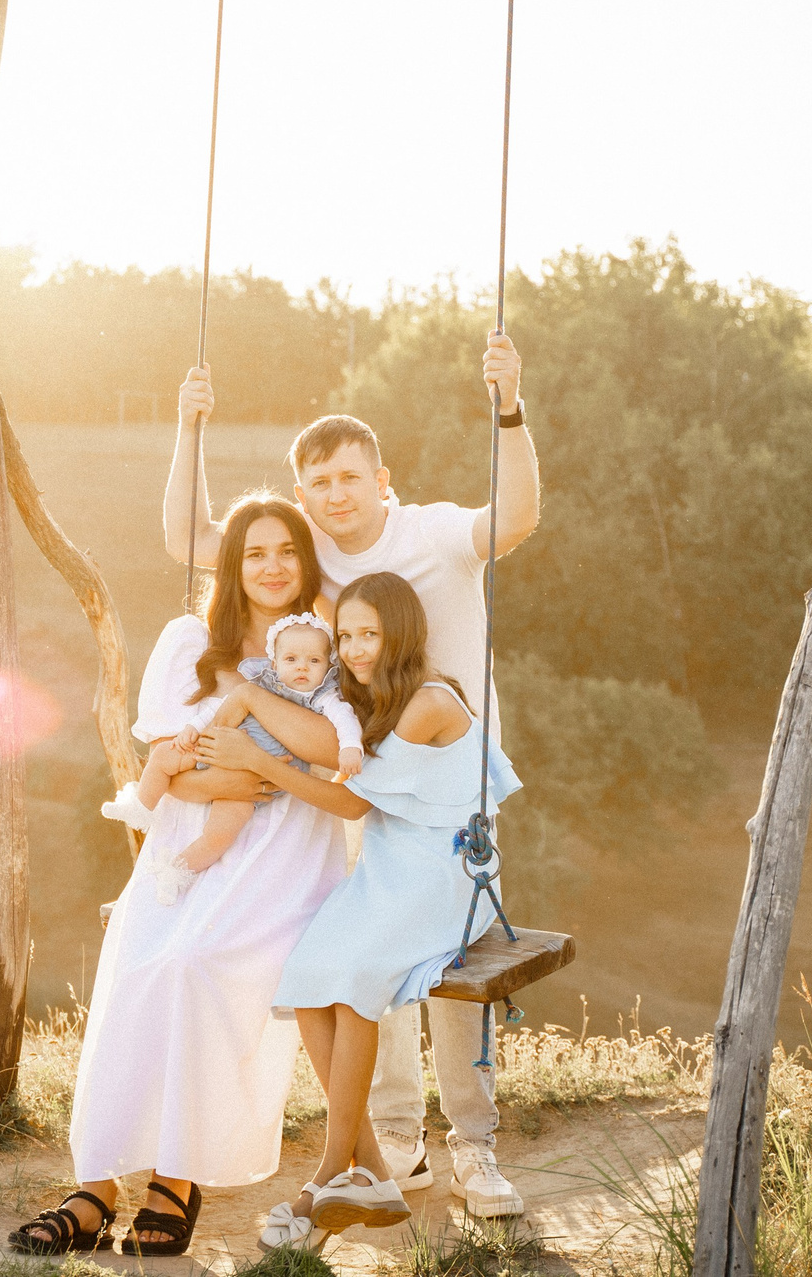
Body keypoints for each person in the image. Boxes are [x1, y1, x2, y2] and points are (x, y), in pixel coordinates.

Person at [157, 330, 538, 1217]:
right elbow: (189, 538)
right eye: (319, 482)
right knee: (379, 958)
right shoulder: (314, 559)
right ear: (303, 493)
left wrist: (509, 407)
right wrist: (189, 426)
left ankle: (474, 1145)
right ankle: (397, 1140)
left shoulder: (436, 532)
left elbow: (514, 517)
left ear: (383, 480)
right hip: (364, 771)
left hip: (447, 777)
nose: (336, 494)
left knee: (454, 953)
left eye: (350, 477)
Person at [7, 496, 351, 1259]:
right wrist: (228, 774)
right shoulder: (191, 638)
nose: (271, 565)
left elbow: (331, 748)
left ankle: (176, 1174)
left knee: (196, 966)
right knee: (139, 965)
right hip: (187, 835)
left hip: (285, 845)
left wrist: (249, 765)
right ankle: (95, 1186)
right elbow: (167, 753)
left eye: (287, 550)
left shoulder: (324, 646)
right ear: (231, 563)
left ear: (306, 562)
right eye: (254, 551)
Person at [197, 571, 521, 1254]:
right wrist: (255, 695)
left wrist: (257, 755)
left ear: (399, 631)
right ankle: (370, 1168)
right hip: (386, 866)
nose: (355, 647)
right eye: (345, 635)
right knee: (311, 974)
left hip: (443, 874)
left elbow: (351, 800)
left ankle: (323, 1178)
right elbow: (327, 744)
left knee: (357, 981)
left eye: (368, 633)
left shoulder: (428, 701)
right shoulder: (369, 697)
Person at [142, 613, 362, 901]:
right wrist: (192, 729)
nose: (302, 669)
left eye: (314, 661)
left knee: (218, 835)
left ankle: (175, 871)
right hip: (216, 754)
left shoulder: (322, 697)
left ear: (328, 665)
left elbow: (345, 721)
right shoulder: (262, 682)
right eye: (291, 660)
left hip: (259, 787)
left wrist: (350, 746)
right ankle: (139, 806)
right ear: (275, 663)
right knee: (164, 756)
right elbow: (218, 709)